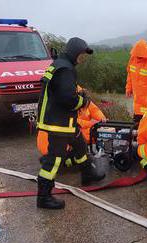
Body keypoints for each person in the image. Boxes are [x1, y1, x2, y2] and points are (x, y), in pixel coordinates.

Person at [36, 37, 105, 209]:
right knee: (54, 160)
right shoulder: (66, 70)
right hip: (58, 123)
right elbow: (68, 99)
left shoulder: (59, 64)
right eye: (82, 55)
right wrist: (83, 101)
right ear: (75, 52)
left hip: (62, 120)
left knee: (80, 145)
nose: (82, 59)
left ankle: (88, 174)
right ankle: (44, 197)